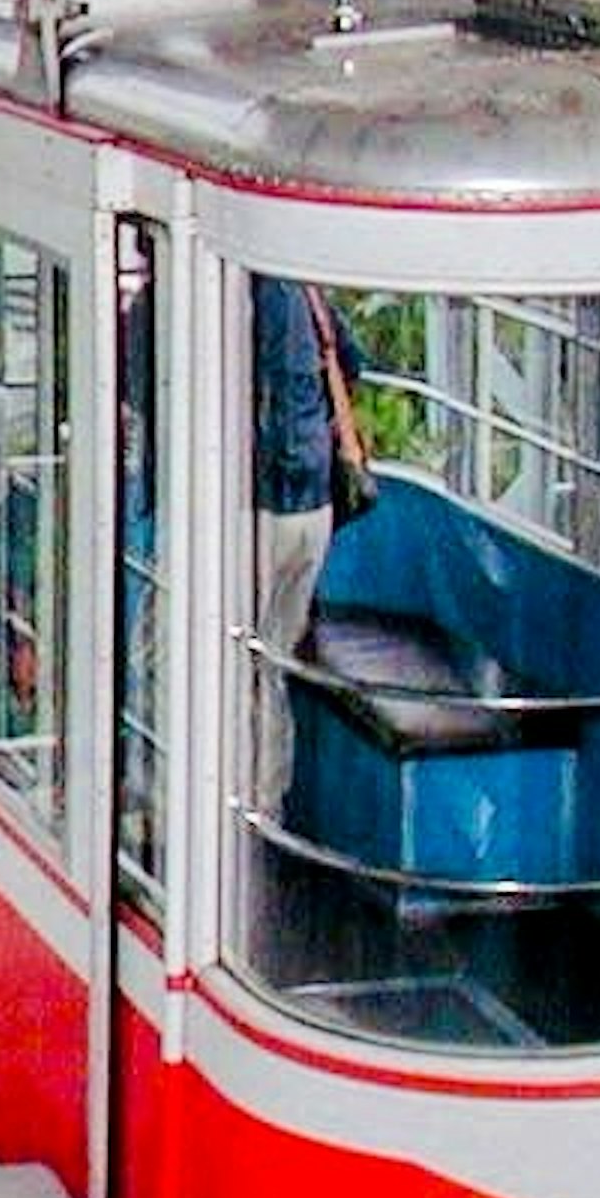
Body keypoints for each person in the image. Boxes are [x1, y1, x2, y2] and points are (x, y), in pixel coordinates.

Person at [248, 275, 346, 811]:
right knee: (271, 661)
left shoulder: (239, 287)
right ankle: (267, 803)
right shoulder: (305, 290)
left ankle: (201, 798)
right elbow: (349, 360)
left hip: (263, 505)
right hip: (315, 504)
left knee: (227, 655)